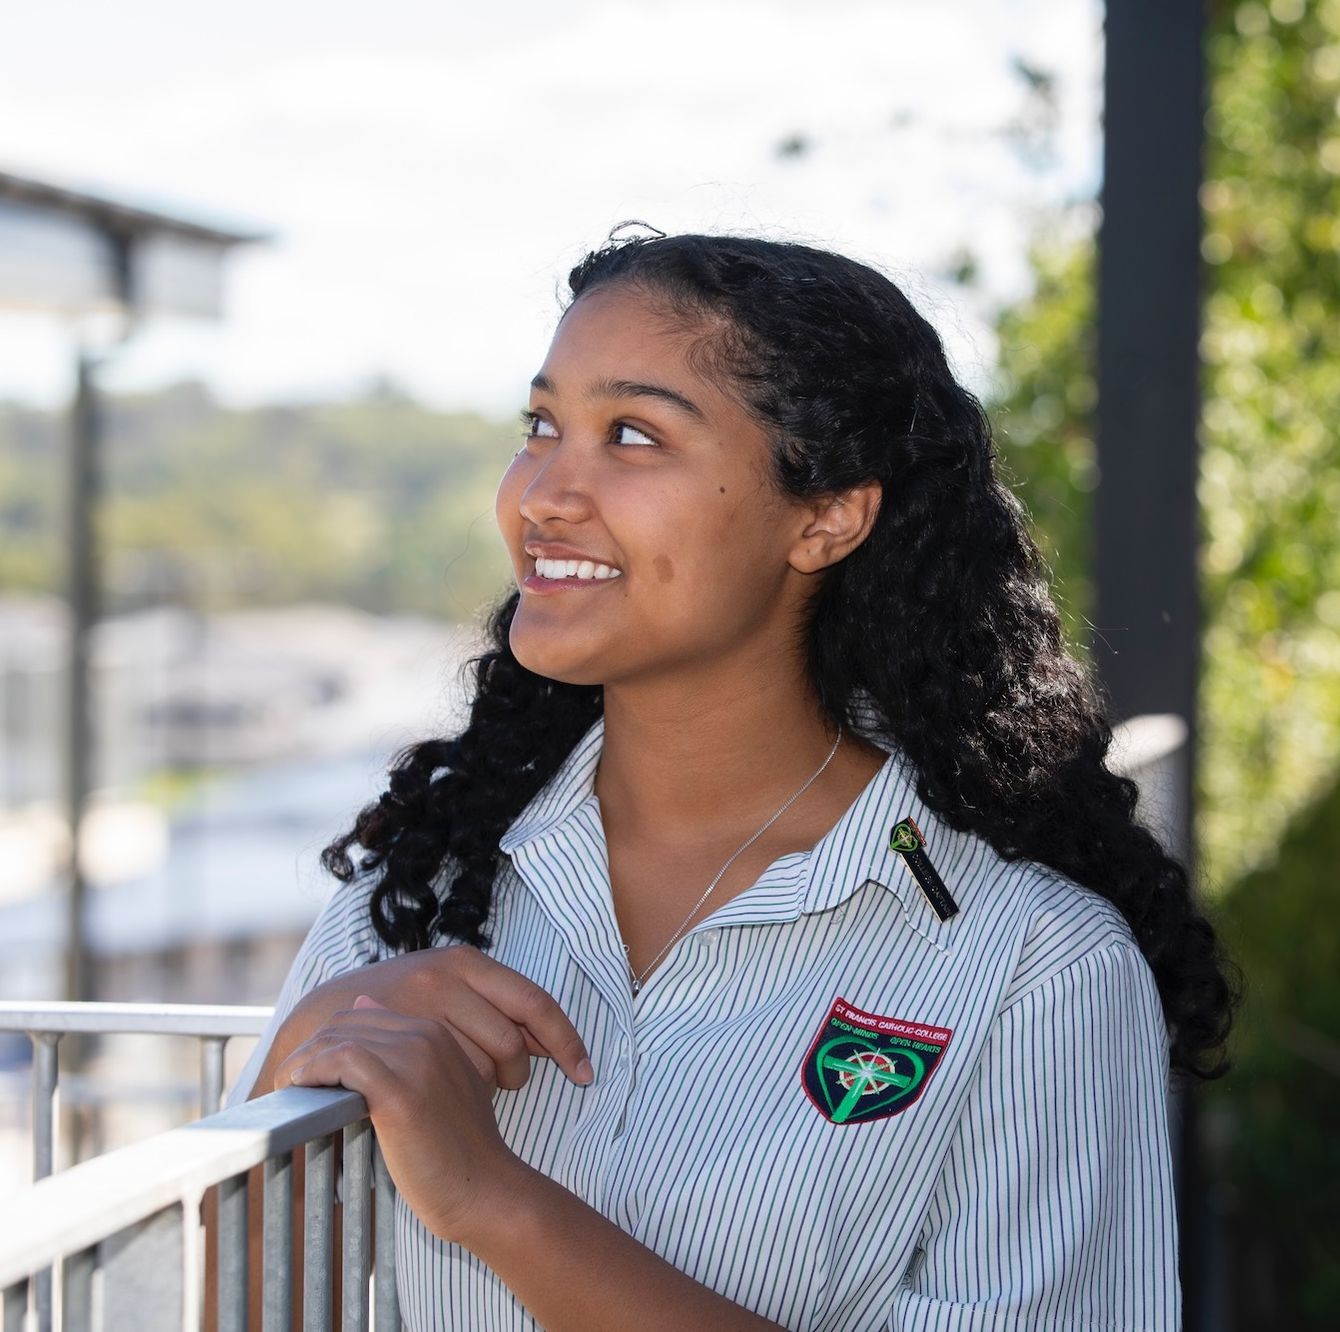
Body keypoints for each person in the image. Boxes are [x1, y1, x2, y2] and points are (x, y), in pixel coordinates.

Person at [226, 228, 1237, 1331]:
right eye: (540, 426)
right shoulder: (415, 895)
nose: (542, 496)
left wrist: (494, 1201)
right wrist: (303, 1050)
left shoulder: (1033, 966)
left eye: (630, 435)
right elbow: (233, 1307)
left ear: (825, 516)